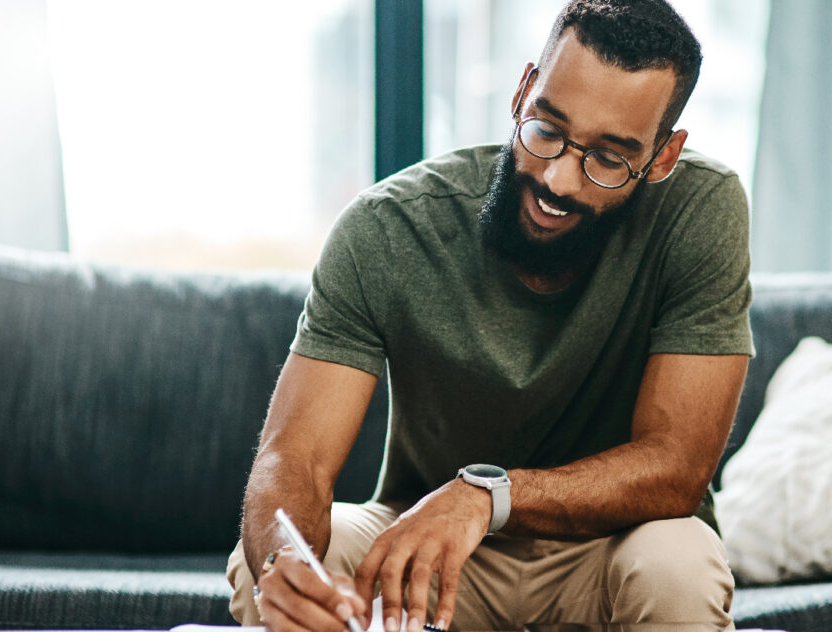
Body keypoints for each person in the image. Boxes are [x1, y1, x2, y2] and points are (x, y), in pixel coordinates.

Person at [227, 1, 753, 630]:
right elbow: (297, 456)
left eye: (609, 159)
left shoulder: (703, 210)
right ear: (524, 89)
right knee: (282, 564)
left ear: (662, 158)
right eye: (547, 129)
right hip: (427, 547)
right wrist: (285, 559)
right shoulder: (387, 227)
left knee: (679, 562)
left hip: (611, 549)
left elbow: (676, 468)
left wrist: (488, 495)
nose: (558, 178)